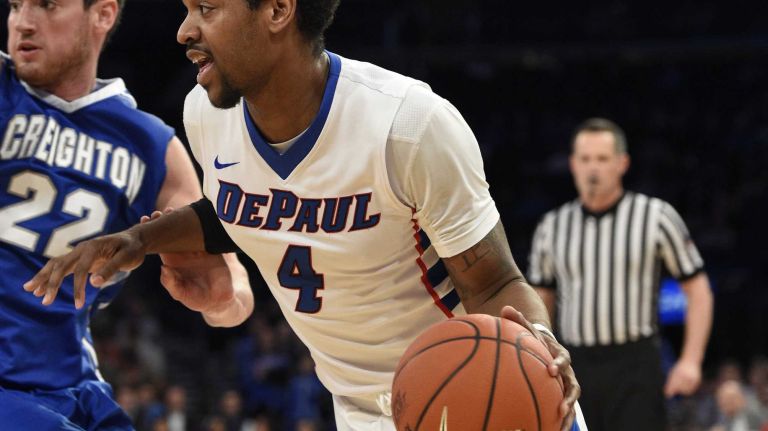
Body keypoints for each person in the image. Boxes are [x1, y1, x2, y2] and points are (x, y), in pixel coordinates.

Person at [24, 0, 587, 429]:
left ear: (277, 10)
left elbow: (494, 281)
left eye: (208, 9)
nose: (184, 31)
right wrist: (139, 239)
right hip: (360, 409)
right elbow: (244, 210)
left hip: (476, 387)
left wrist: (537, 341)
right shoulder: (205, 115)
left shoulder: (408, 125)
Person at [1, 0, 253, 429]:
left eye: (46, 6)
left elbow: (237, 296)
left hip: (72, 385)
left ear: (102, 14)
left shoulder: (154, 146)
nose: (23, 22)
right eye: (15, 6)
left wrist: (218, 298)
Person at [527, 118, 714, 430]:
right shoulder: (551, 227)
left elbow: (698, 291)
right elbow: (540, 298)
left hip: (636, 364)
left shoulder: (656, 216)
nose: (593, 169)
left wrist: (691, 360)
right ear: (573, 164)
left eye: (602, 159)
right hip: (575, 362)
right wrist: (538, 357)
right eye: (585, 159)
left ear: (622, 163)